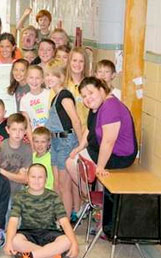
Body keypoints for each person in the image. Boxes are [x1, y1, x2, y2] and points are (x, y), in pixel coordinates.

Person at [66, 77, 137, 236]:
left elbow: (109, 141)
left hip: (119, 156)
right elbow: (89, 131)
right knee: (73, 160)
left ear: (102, 90)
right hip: (103, 150)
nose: (87, 98)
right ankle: (97, 210)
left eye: (91, 93)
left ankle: (90, 201)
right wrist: (79, 148)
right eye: (84, 96)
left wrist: (100, 167)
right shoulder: (97, 107)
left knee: (72, 163)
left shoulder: (110, 107)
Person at [4, 164, 79, 258]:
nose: (36, 180)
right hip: (28, 233)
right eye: (33, 177)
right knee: (14, 241)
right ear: (27, 178)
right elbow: (13, 221)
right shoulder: (20, 196)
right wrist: (8, 242)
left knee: (67, 241)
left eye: (40, 177)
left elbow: (64, 221)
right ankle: (52, 254)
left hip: (50, 232)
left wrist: (74, 243)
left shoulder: (53, 196)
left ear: (46, 179)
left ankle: (32, 255)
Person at [44, 59, 82, 217]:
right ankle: (59, 217)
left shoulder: (65, 95)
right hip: (56, 141)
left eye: (53, 75)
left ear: (61, 77)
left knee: (65, 185)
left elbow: (76, 121)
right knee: (57, 183)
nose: (49, 78)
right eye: (47, 75)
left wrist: (80, 146)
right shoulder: (55, 95)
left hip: (66, 141)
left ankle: (65, 221)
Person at [0, 113, 33, 199]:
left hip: (19, 193)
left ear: (25, 131)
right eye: (14, 129)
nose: (17, 133)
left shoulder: (27, 149)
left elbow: (25, 179)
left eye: (21, 130)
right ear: (7, 130)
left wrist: (2, 172)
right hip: (1, 193)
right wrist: (18, 176)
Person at [65, 47, 90, 129]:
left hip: (85, 132)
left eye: (81, 61)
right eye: (74, 60)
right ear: (69, 62)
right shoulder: (62, 84)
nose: (77, 64)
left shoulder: (90, 86)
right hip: (65, 135)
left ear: (85, 64)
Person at [19, 65, 50, 130]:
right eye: (31, 78)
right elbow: (27, 125)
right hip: (36, 136)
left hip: (52, 135)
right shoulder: (24, 100)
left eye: (37, 78)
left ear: (42, 80)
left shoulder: (50, 94)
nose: (34, 81)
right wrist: (31, 140)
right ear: (26, 79)